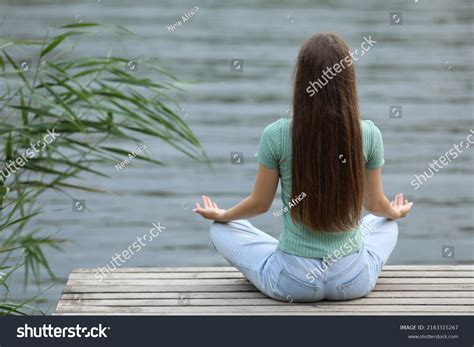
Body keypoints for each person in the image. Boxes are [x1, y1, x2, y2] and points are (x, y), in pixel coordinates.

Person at [194, 32, 413, 302]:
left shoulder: (276, 134)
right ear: (348, 81)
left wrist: (224, 214)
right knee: (386, 222)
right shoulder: (368, 133)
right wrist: (396, 212)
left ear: (302, 80)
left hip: (292, 281)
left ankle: (284, 253)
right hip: (352, 280)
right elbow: (375, 204)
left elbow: (260, 204)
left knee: (221, 229)